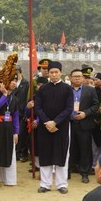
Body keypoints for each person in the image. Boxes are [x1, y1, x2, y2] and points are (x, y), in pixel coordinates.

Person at [33, 61, 74, 194]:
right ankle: (45, 184)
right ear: (48, 73)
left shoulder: (67, 89)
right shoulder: (43, 89)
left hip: (61, 127)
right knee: (46, 153)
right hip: (45, 127)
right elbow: (38, 107)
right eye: (51, 72)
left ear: (60, 73)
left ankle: (62, 184)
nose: (54, 75)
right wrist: (47, 122)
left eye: (56, 72)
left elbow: (69, 108)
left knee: (61, 154)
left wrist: (55, 122)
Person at [68, 68, 99, 184]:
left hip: (84, 123)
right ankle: (68, 171)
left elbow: (96, 105)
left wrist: (85, 113)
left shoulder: (90, 90)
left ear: (83, 78)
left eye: (79, 76)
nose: (77, 78)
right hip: (69, 123)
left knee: (85, 149)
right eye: (74, 76)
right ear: (70, 78)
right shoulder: (66, 90)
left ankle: (84, 173)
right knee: (70, 148)